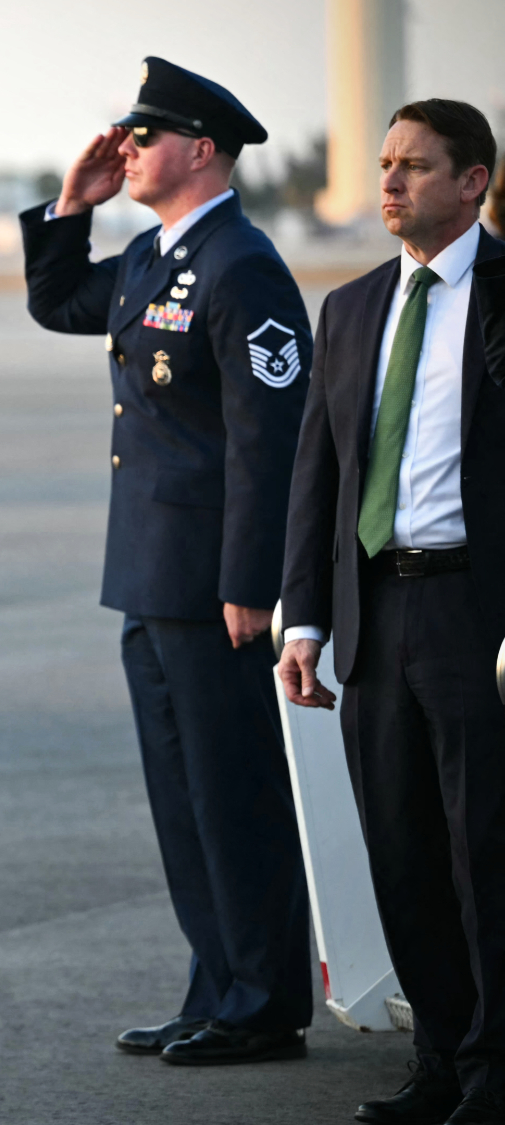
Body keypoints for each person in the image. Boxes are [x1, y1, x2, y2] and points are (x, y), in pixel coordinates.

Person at [19, 58, 315, 1064]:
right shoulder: (152, 257)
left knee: (235, 802)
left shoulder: (240, 265)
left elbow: (263, 439)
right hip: (148, 575)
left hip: (210, 587)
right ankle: (215, 986)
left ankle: (261, 1003)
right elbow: (60, 305)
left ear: (199, 148)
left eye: (142, 139)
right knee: (184, 806)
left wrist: (250, 580)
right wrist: (71, 205)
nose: (126, 150)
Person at [279, 100, 503, 1125]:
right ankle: (441, 1064)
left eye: (413, 166)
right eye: (383, 164)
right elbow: (316, 477)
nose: (388, 182)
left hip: (472, 612)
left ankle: (497, 1067)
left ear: (472, 181)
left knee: (484, 854)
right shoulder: (353, 306)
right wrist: (303, 624)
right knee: (402, 853)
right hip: (372, 612)